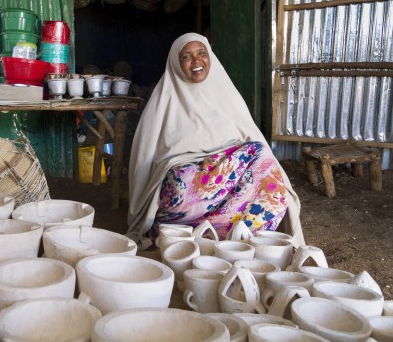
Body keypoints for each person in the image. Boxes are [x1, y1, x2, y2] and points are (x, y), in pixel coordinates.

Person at [127, 32, 304, 249]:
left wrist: (226, 167)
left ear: (210, 56)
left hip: (226, 176)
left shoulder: (226, 94)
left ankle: (239, 239)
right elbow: (143, 159)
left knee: (263, 159)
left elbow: (254, 142)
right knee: (181, 181)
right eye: (187, 56)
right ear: (175, 62)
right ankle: (186, 233)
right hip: (188, 187)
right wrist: (139, 211)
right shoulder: (163, 101)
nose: (196, 61)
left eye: (202, 53)